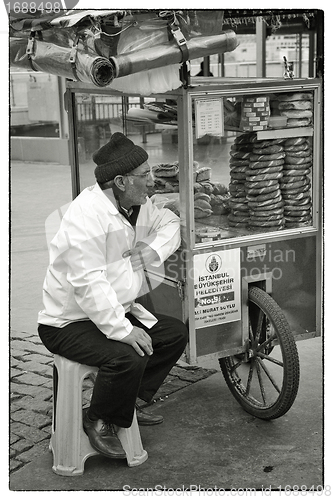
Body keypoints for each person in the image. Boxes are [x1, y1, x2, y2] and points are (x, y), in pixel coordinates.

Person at [38, 132, 188, 460]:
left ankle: (127, 400)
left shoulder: (134, 205)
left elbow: (172, 222)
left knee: (174, 334)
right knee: (127, 355)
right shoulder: (86, 215)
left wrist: (150, 250)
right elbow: (88, 282)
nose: (152, 182)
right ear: (120, 181)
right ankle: (98, 419)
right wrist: (122, 329)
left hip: (111, 310)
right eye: (145, 175)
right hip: (68, 322)